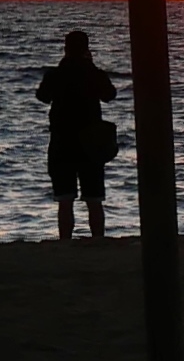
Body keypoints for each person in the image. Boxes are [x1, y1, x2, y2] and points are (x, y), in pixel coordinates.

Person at [36, 30, 117, 239]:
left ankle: (65, 241)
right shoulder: (94, 74)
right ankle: (98, 240)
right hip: (91, 143)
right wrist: (91, 66)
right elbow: (110, 95)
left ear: (65, 49)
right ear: (86, 50)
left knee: (65, 199)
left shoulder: (55, 74)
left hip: (62, 142)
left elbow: (42, 96)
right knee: (94, 199)